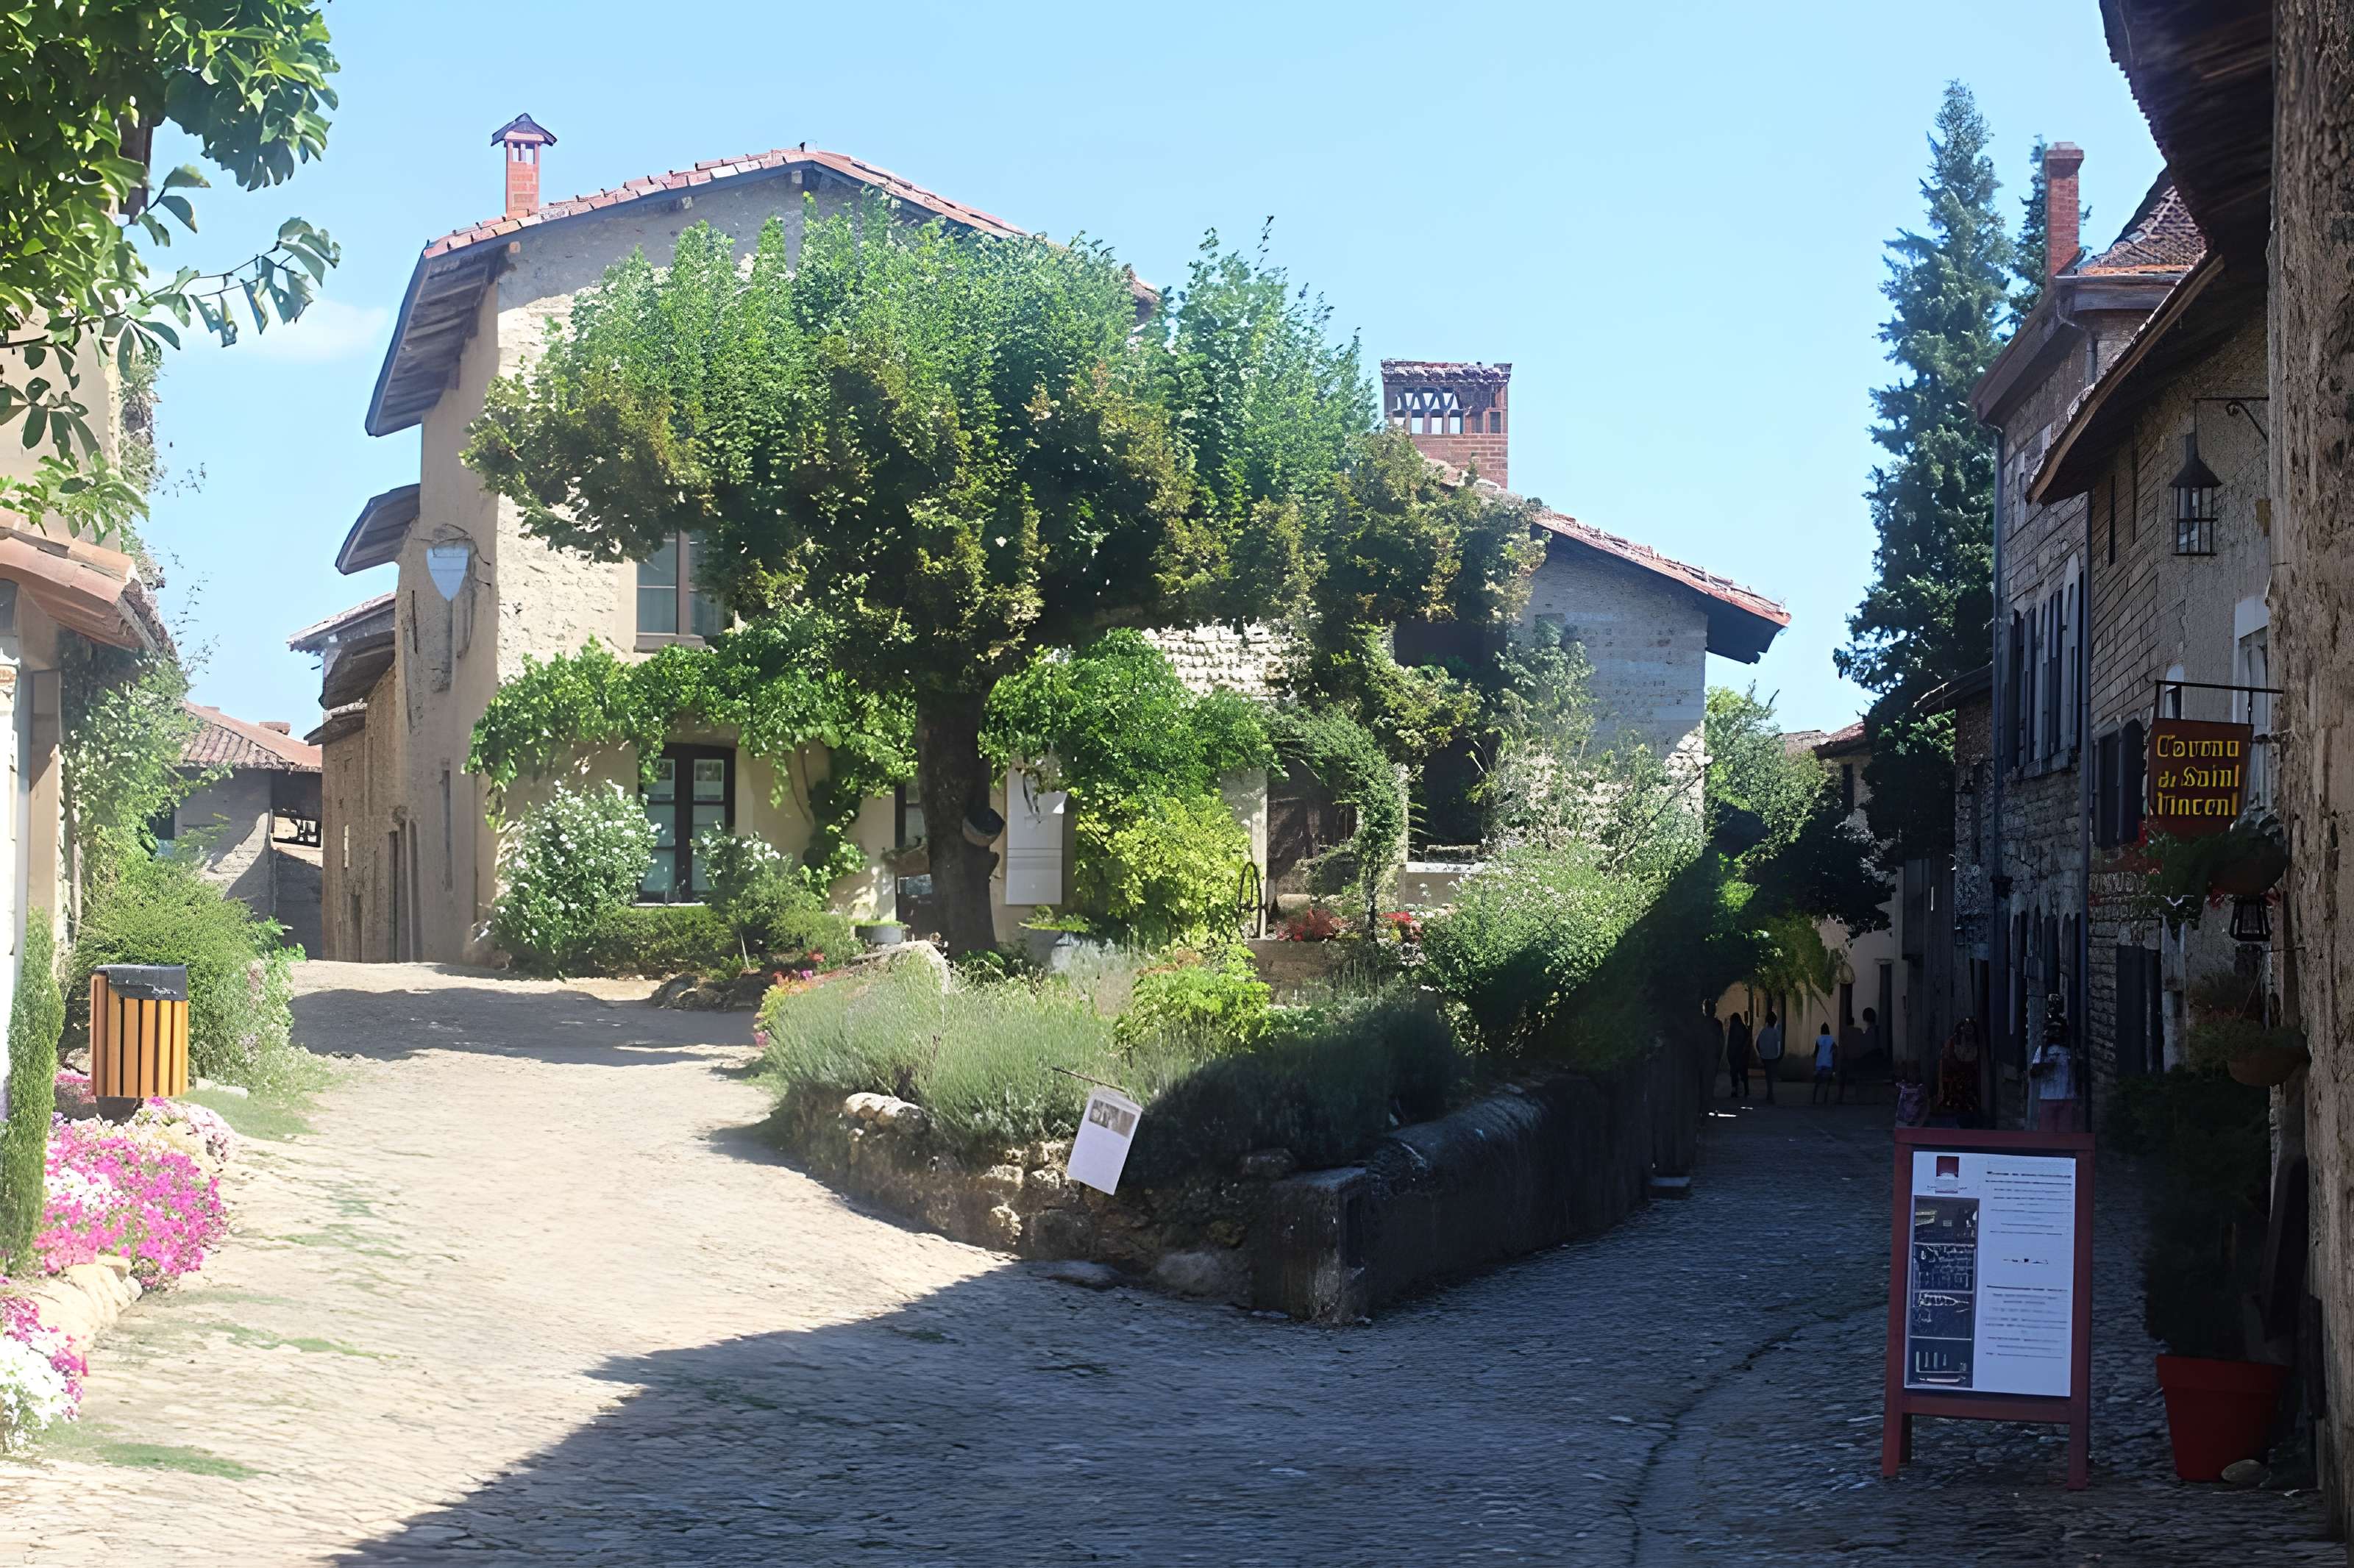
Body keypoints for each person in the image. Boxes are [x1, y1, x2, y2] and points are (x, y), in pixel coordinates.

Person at [2029, 994, 2080, 1133]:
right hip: (2048, 1097)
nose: (2056, 1033)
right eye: (2053, 1030)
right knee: (2047, 1132)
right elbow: (2033, 1072)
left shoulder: (2070, 1050)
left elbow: (2077, 1069)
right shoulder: (2044, 1050)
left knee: (2065, 1133)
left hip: (2067, 1097)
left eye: (2059, 1030)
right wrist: (2045, 1066)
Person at [1930, 1019, 1984, 1128]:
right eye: (1966, 1029)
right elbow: (1944, 1067)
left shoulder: (1979, 1046)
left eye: (1970, 1029)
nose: (1968, 1032)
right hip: (1953, 1088)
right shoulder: (1952, 1044)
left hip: (1970, 1090)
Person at [1753, 1010, 1784, 1102]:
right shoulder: (1775, 1032)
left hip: (1765, 1056)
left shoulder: (1763, 1031)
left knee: (1768, 1076)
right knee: (1770, 1076)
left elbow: (1757, 1043)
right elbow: (1778, 1045)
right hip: (1773, 1057)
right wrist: (1778, 1055)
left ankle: (1769, 1094)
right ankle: (1770, 1095)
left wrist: (1761, 1053)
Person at [1725, 1011, 1752, 1100]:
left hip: (1735, 1055)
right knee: (1743, 1074)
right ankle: (1746, 1091)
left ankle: (1735, 1091)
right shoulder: (1743, 1028)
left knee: (1734, 1074)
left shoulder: (1733, 1029)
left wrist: (1729, 1054)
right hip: (1742, 1056)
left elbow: (1730, 1043)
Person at [1811, 1021, 1838, 1104]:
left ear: (1821, 1030)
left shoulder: (1818, 1039)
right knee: (1827, 1083)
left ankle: (1814, 1100)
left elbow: (1815, 1053)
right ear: (1828, 1030)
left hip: (1819, 1065)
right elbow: (1836, 1050)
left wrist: (1813, 1056)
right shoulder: (1832, 1039)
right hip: (1828, 1064)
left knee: (1817, 1083)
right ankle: (1825, 1101)